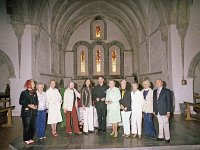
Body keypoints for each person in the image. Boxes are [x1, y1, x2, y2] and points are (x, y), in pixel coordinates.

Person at [19, 79, 38, 145]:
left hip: (34, 113)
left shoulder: (34, 93)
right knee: (26, 126)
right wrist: (29, 105)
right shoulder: (24, 93)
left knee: (33, 126)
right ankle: (26, 139)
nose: (34, 85)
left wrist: (36, 106)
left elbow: (36, 101)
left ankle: (30, 138)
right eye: (33, 84)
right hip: (26, 113)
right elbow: (21, 102)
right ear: (29, 84)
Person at [153, 79, 171, 144]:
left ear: (162, 83)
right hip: (157, 111)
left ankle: (167, 138)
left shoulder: (167, 91)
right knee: (160, 124)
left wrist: (168, 111)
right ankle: (161, 136)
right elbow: (154, 101)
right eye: (156, 82)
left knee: (166, 124)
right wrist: (154, 110)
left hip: (165, 110)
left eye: (159, 82)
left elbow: (169, 102)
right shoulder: (154, 91)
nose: (157, 83)